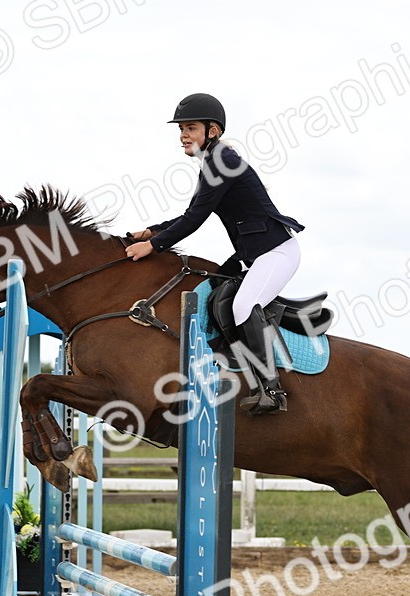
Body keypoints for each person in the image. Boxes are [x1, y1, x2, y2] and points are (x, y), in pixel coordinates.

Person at [125, 93, 304, 415]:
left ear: (213, 131)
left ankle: (272, 391)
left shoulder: (223, 162)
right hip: (256, 254)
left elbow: (195, 219)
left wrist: (153, 246)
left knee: (243, 305)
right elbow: (192, 212)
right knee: (220, 299)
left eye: (190, 128)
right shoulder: (214, 162)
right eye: (180, 129)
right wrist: (152, 231)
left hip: (277, 252)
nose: (183, 135)